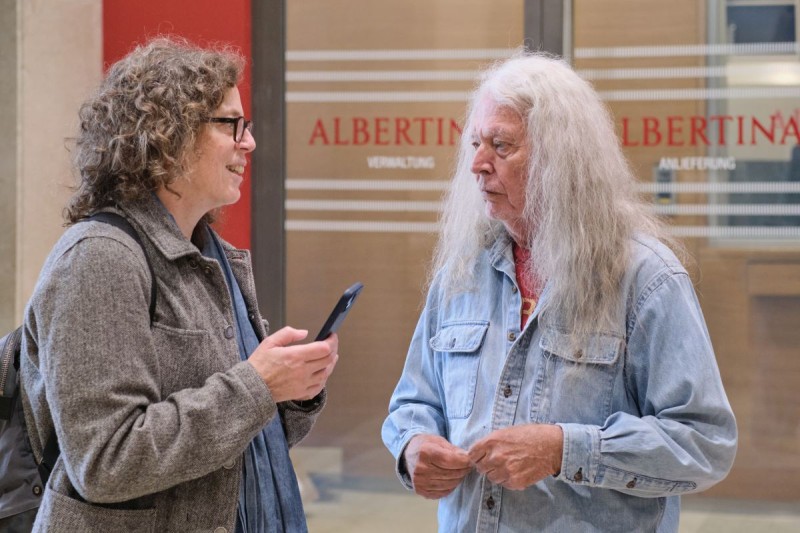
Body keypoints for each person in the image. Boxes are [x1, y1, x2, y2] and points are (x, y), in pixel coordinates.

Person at [382, 51, 737, 532]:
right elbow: (412, 402)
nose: (478, 165)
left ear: (559, 159)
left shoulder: (646, 279)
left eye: (501, 146)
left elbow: (703, 442)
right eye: (475, 144)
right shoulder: (460, 273)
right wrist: (413, 445)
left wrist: (563, 450)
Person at [21, 37, 338, 532]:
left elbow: (234, 450)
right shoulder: (99, 258)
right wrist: (258, 385)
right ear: (168, 135)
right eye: (231, 124)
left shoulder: (208, 256)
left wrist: (291, 392)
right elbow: (105, 461)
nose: (248, 142)